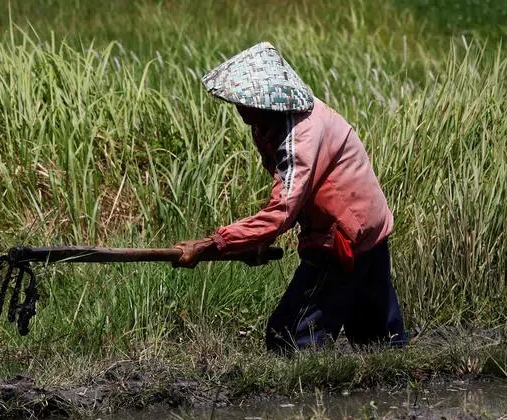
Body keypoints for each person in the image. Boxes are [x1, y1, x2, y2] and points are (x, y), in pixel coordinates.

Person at [173, 42, 408, 353]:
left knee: (291, 337)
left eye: (244, 102)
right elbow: (288, 192)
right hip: (366, 230)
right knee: (378, 344)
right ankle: (389, 397)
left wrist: (214, 243)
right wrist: (254, 242)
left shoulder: (301, 135)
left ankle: (308, 400)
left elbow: (283, 208)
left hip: (344, 240)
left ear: (264, 101)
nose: (239, 109)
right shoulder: (269, 125)